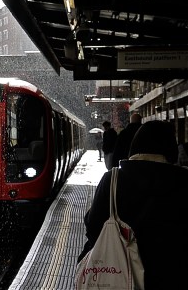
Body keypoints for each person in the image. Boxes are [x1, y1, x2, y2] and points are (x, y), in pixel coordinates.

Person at [78, 120, 188, 287]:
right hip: (171, 275)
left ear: (134, 147)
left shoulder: (112, 180)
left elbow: (93, 228)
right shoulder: (183, 183)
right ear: (171, 149)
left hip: (118, 275)